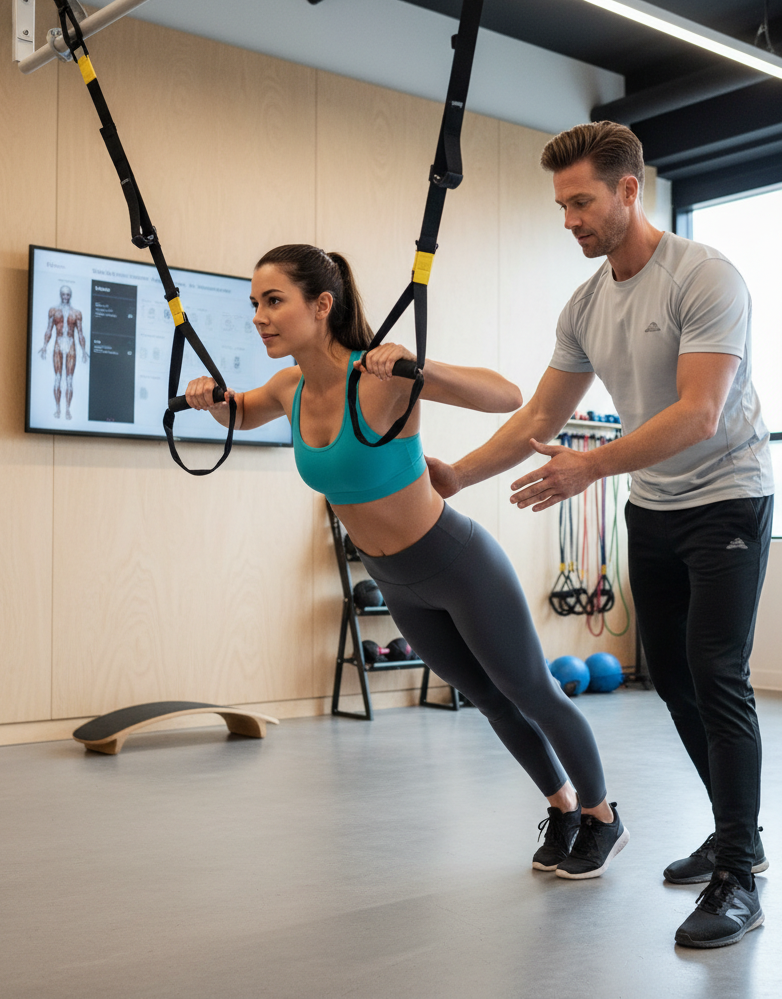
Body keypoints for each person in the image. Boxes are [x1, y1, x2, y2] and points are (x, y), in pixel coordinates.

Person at [426, 122, 774, 949]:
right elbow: (540, 418)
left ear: (628, 190)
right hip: (652, 507)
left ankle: (737, 876)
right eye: (561, 206)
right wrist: (458, 477)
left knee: (717, 674)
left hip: (728, 499)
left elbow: (699, 413)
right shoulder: (585, 305)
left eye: (581, 202)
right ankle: (739, 835)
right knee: (676, 682)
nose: (570, 219)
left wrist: (591, 465)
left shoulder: (704, 277)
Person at [185, 244, 628, 879]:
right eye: (255, 303)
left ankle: (602, 817)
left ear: (322, 304)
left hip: (458, 562)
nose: (260, 316)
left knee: (533, 690)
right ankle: (562, 809)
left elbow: (506, 396)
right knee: (487, 698)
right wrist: (209, 396)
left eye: (274, 301)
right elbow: (240, 411)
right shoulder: (289, 387)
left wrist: (419, 366)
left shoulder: (383, 376)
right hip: (394, 581)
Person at [39, 285, 87, 420]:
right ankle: (58, 409)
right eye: (63, 294)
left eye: (68, 295)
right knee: (57, 378)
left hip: (71, 344)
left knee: (69, 380)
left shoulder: (76, 313)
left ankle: (67, 410)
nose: (65, 297)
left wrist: (83, 351)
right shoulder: (53, 311)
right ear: (61, 295)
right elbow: (49, 329)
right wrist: (44, 346)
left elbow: (80, 333)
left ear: (70, 296)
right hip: (58, 344)